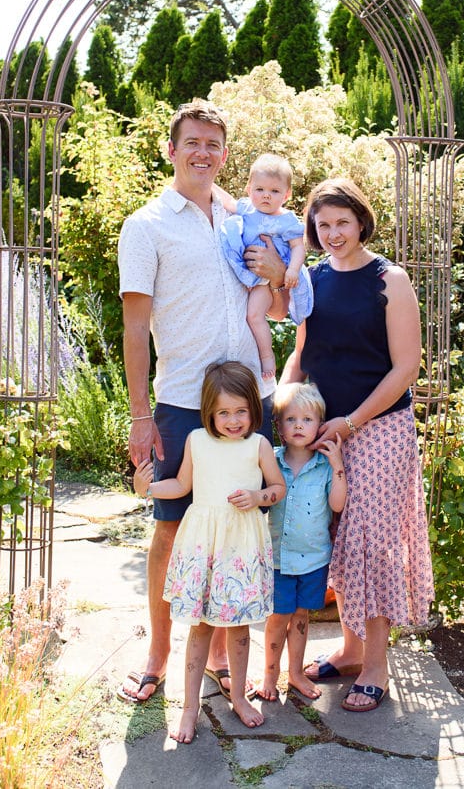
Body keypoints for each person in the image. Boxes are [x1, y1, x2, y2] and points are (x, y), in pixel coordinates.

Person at [117, 99, 289, 703]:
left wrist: (276, 273)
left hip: (245, 401)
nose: (203, 153)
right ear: (171, 149)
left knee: (236, 526)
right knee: (171, 529)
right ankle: (158, 654)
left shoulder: (241, 217)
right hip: (184, 401)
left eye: (214, 144)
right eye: (192, 142)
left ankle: (219, 651)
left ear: (224, 154)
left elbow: (275, 305)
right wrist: (142, 416)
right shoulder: (145, 226)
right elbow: (135, 330)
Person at [280, 177, 434, 712]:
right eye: (322, 225)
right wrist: (282, 403)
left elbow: (406, 368)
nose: (333, 233)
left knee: (371, 540)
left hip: (380, 429)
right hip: (320, 428)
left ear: (361, 221)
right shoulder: (313, 281)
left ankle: (375, 666)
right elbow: (300, 352)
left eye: (342, 222)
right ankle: (348, 650)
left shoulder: (389, 279)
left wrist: (351, 423)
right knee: (337, 535)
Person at [132, 361, 287, 742]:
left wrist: (257, 497)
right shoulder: (197, 441)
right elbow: (181, 485)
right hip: (204, 548)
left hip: (241, 550)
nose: (233, 420)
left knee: (237, 630)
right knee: (199, 629)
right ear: (209, 413)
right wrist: (146, 489)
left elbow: (278, 488)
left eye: (240, 411)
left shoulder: (259, 445)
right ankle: (189, 708)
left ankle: (237, 695)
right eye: (223, 413)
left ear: (253, 409)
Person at [257, 382, 347, 702]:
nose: (298, 426)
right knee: (277, 617)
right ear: (279, 426)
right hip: (279, 558)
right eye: (291, 419)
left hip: (313, 559)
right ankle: (269, 674)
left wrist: (337, 465)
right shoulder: (273, 461)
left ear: (319, 425)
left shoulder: (324, 466)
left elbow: (337, 505)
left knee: (300, 617)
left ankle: (295, 673)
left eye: (307, 420)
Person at [217, 154, 310, 379]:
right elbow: (227, 201)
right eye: (259, 189)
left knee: (254, 315)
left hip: (264, 282)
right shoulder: (247, 209)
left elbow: (299, 247)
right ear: (249, 189)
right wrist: (208, 184)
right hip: (244, 274)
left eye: (275, 191)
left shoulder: (286, 220)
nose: (266, 195)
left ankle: (267, 358)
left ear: (286, 195)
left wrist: (292, 270)